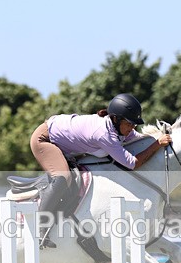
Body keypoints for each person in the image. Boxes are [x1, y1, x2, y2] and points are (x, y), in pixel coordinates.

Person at [29, 93, 172, 247]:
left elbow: (138, 138)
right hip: (44, 140)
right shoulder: (104, 134)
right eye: (129, 123)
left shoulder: (119, 128)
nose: (132, 128)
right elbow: (132, 163)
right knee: (64, 177)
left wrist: (159, 137)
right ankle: (39, 228)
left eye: (134, 124)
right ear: (116, 119)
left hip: (60, 134)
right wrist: (157, 144)